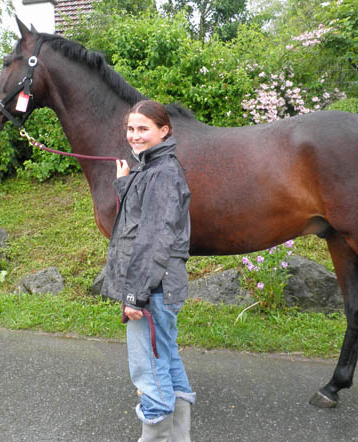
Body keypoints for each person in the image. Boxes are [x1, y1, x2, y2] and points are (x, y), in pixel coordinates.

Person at [101, 100, 195, 442]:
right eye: (130, 129)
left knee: (149, 370)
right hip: (158, 288)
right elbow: (145, 215)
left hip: (153, 290)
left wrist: (135, 295)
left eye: (143, 129)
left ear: (163, 131)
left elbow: (154, 240)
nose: (135, 136)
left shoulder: (162, 174)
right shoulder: (154, 169)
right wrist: (125, 184)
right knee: (166, 360)